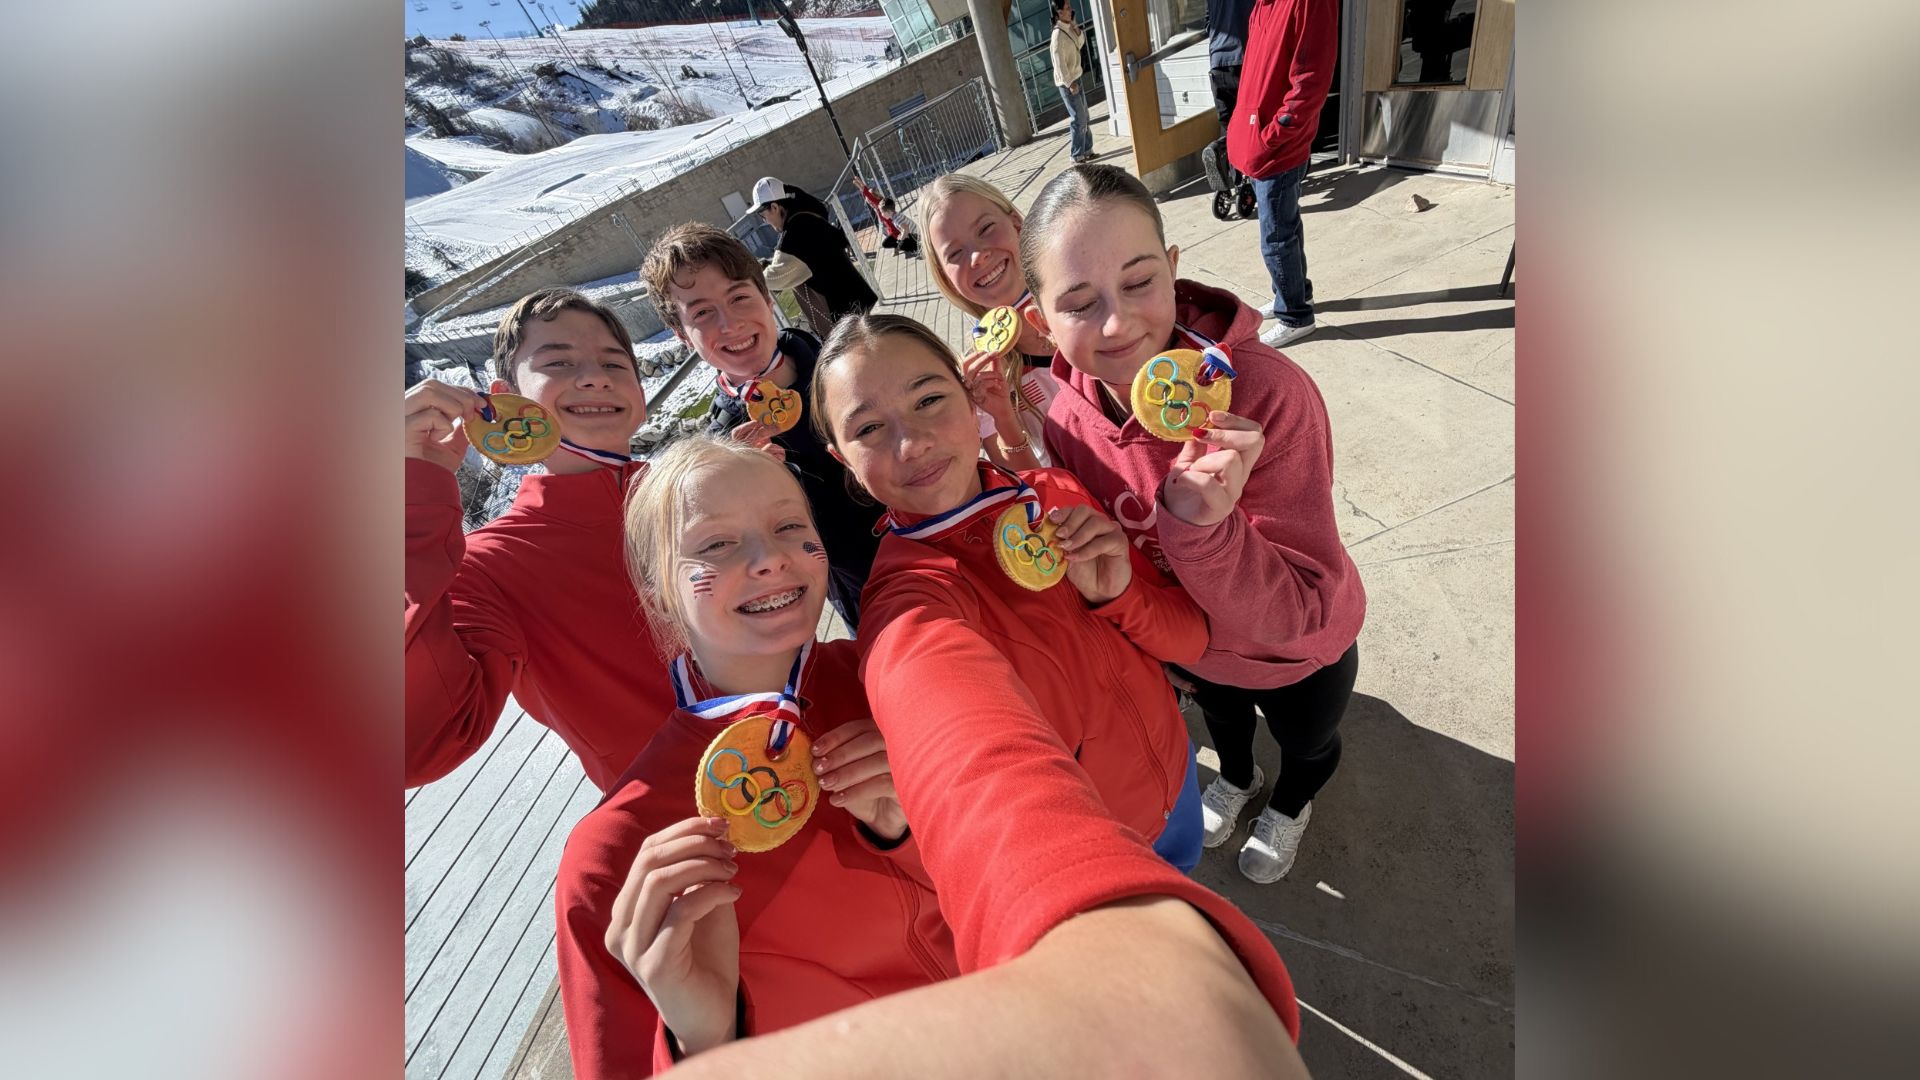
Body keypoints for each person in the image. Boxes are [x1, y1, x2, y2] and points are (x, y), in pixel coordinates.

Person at [554, 437, 957, 1077]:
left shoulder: (893, 677)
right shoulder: (616, 855)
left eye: (790, 526)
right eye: (716, 544)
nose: (770, 558)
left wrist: (915, 835)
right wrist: (706, 1043)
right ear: (658, 595)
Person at [1018, 164, 1365, 884]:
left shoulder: (1263, 395)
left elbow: (1297, 612)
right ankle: (1236, 777)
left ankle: (1292, 801)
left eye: (1140, 282)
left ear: (1173, 269)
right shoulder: (1064, 415)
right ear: (1040, 322)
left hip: (1295, 655)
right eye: (1078, 303)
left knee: (1306, 741)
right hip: (1193, 650)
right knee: (1225, 726)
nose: (1118, 323)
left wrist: (1205, 531)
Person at [812, 313, 1209, 880]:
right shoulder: (908, 603)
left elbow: (1191, 642)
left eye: (929, 400)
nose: (913, 442)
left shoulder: (1056, 493)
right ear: (841, 459)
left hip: (1177, 771)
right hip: (1101, 857)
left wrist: (1122, 596)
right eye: (869, 429)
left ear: (968, 395)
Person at [404, 287, 675, 792]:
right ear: (506, 398)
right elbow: (419, 742)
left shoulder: (700, 496)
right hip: (693, 827)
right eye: (558, 362)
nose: (595, 377)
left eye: (615, 364)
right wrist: (409, 502)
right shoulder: (487, 567)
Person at [642, 222, 884, 631]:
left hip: (932, 534)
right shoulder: (722, 442)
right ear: (682, 335)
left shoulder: (845, 365)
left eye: (739, 297)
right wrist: (746, 487)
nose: (730, 324)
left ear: (767, 297)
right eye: (702, 313)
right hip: (863, 595)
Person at [919, 174, 1061, 470]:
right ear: (946, 277)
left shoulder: (1085, 301)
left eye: (985, 228)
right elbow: (1025, 481)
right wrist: (1004, 417)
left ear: (1017, 224)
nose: (977, 257)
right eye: (955, 253)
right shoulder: (982, 378)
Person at [1228, 0, 1338, 348]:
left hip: (1279, 150)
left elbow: (1310, 80)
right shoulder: (1262, 6)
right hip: (1263, 145)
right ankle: (1291, 295)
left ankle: (1296, 316)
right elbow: (1254, 79)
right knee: (1285, 230)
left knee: (1276, 238)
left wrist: (1273, 134)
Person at [748, 175, 877, 335]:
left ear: (774, 207)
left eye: (762, 215)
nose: (765, 221)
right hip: (856, 297)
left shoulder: (794, 236)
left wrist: (748, 276)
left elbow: (775, 278)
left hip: (843, 315)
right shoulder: (808, 215)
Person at [1049, 0, 1093, 164]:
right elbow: (1058, 63)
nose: (1071, 9)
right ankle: (1076, 154)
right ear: (1059, 12)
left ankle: (1087, 150)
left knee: (1085, 116)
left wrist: (1075, 25)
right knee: (1078, 118)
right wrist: (1069, 83)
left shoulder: (1068, 28)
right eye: (1067, 8)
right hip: (1068, 83)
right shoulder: (1057, 35)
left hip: (1076, 76)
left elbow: (1080, 43)